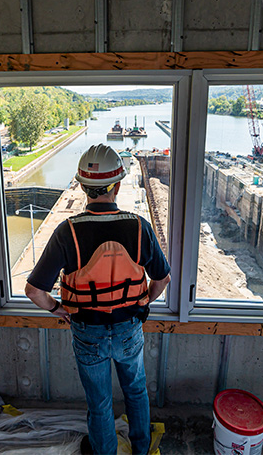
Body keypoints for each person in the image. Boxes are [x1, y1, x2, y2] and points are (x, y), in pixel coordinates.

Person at [25, 144, 171, 455]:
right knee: (136, 392)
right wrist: (144, 302)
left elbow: (34, 291)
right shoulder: (139, 227)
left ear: (81, 185)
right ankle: (141, 449)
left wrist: (57, 309)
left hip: (87, 331)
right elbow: (163, 278)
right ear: (117, 185)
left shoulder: (67, 232)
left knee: (100, 402)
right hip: (129, 328)